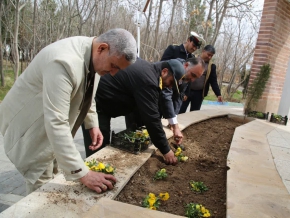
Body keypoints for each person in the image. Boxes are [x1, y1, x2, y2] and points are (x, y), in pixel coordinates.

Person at [0, 28, 137, 194]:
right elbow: (56, 122)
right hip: (29, 122)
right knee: (41, 182)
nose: (113, 73)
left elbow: (88, 91)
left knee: (56, 164)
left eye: (118, 69)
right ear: (102, 48)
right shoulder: (64, 62)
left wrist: (92, 124)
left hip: (49, 120)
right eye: (114, 66)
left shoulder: (94, 55)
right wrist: (83, 173)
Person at [82, 57, 205, 158]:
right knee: (98, 148)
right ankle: (91, 178)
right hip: (96, 105)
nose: (169, 87)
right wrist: (166, 150)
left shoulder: (153, 73)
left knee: (102, 146)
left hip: (106, 105)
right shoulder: (148, 80)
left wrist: (174, 126)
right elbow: (152, 118)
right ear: (164, 72)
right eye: (171, 83)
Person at [179, 45, 223, 113]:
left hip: (199, 93)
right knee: (180, 110)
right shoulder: (192, 59)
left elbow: (213, 81)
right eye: (208, 54)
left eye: (211, 56)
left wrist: (218, 94)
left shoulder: (211, 67)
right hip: (186, 91)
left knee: (194, 113)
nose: (209, 57)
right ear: (203, 51)